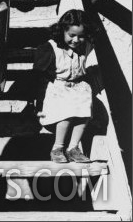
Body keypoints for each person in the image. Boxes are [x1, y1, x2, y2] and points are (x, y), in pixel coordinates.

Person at [33, 9, 97, 163]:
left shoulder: (86, 45)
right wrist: (37, 101)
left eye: (81, 36)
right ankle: (58, 148)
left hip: (77, 86)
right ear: (62, 30)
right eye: (72, 35)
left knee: (84, 111)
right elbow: (38, 74)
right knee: (67, 111)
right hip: (57, 88)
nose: (76, 40)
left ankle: (73, 148)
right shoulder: (51, 48)